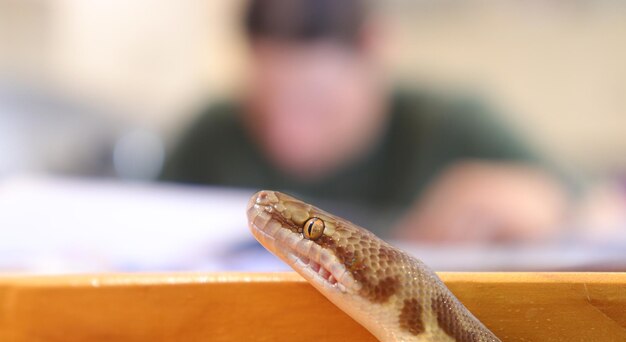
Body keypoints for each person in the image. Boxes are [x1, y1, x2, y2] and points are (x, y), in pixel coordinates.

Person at [161, 0, 572, 243]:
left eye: (317, 103)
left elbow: (598, 209)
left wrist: (546, 207)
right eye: (264, 103)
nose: (287, 137)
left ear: (375, 49)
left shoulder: (452, 125)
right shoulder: (210, 133)